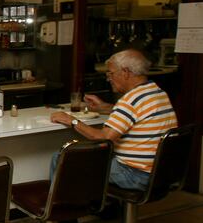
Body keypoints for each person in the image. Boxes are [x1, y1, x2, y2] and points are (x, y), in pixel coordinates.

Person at [50, 49, 178, 191]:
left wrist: (71, 120)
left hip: (134, 175)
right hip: (161, 173)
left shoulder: (130, 100)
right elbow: (137, 113)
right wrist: (103, 107)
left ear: (125, 72)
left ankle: (63, 209)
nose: (108, 78)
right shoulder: (156, 93)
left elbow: (104, 138)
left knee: (63, 157)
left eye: (110, 73)